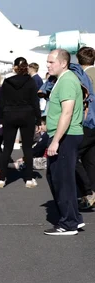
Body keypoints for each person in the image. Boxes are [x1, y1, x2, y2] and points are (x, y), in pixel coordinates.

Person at [44, 49, 84, 236]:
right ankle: (73, 218)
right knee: (57, 177)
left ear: (63, 63)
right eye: (48, 62)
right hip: (63, 135)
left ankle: (69, 224)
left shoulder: (67, 81)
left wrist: (56, 141)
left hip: (66, 136)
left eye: (52, 62)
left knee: (62, 180)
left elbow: (67, 112)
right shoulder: (62, 80)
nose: (48, 65)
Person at [0, 57, 42, 188]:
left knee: (7, 148)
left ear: (15, 67)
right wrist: (38, 119)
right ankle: (29, 179)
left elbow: (2, 102)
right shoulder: (31, 82)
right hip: (27, 115)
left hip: (9, 115)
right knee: (27, 148)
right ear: (27, 67)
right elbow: (35, 102)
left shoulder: (7, 82)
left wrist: (0, 118)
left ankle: (2, 178)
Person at [76, 46, 95, 209]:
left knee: (73, 156)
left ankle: (87, 191)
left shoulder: (84, 77)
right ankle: (91, 195)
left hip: (88, 122)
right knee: (90, 160)